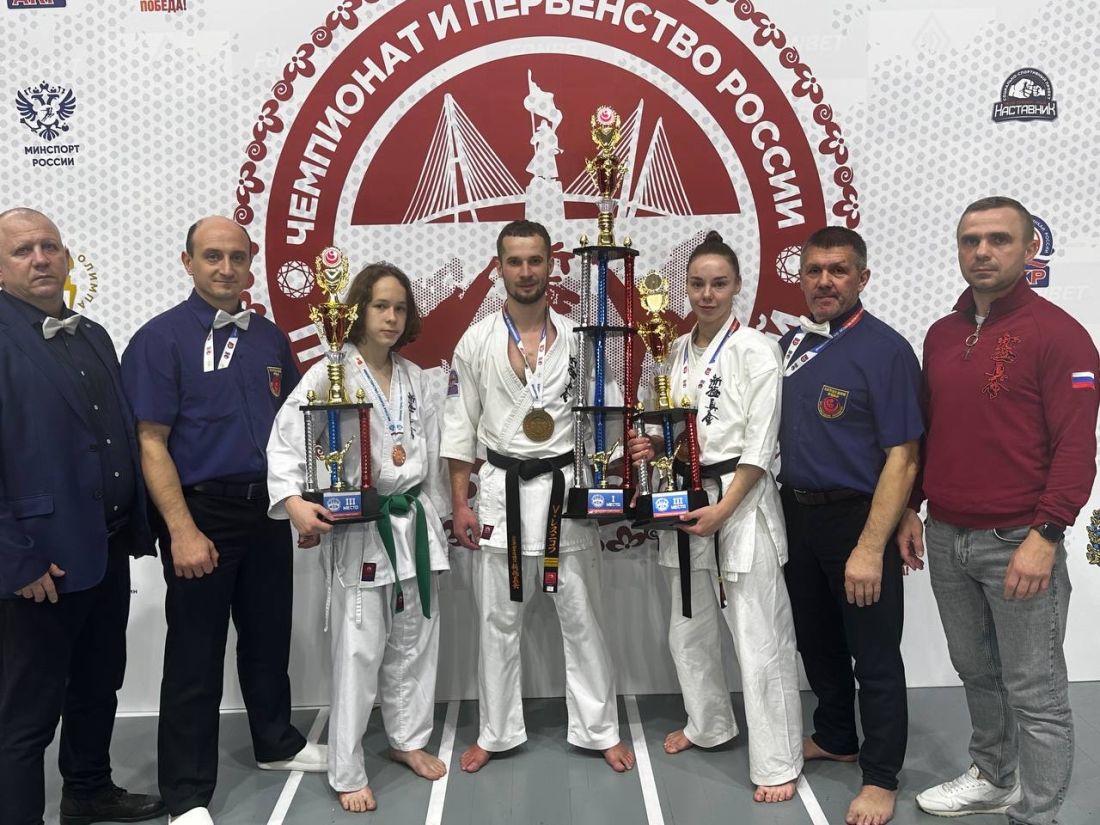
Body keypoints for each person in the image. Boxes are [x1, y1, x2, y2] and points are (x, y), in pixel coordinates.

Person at [898, 197, 1099, 824]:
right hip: (947, 535)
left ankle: (1037, 813)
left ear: (1030, 247)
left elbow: (1077, 447)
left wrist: (1046, 535)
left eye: (998, 239)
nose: (982, 251)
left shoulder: (1060, 335)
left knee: (1036, 690)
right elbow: (931, 432)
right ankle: (992, 777)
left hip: (1019, 539)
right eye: (970, 240)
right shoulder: (942, 334)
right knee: (977, 672)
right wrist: (911, 507)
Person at [120, 216, 324, 825]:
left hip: (266, 508)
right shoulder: (159, 340)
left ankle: (275, 743)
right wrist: (182, 530)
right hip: (199, 511)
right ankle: (186, 794)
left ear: (251, 262)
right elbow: (150, 441)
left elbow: (293, 431)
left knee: (268, 636)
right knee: (195, 654)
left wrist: (298, 501)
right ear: (187, 262)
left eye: (237, 257)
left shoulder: (270, 339)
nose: (226, 268)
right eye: (212, 256)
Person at [441, 219, 635, 774]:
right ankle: (497, 732)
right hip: (501, 494)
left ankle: (599, 729)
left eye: (535, 261)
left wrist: (613, 468)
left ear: (552, 265)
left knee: (583, 619)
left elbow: (605, 414)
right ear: (499, 267)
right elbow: (459, 428)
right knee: (497, 624)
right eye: (515, 261)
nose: (526, 272)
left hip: (564, 494)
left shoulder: (579, 337)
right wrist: (460, 503)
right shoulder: (476, 341)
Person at [625, 230, 803, 802]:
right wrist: (650, 444)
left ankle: (777, 760)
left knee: (758, 634)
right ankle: (709, 724)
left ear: (737, 286)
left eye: (719, 284)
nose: (707, 294)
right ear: (686, 288)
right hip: (683, 498)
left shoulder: (757, 350)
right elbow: (662, 425)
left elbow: (762, 444)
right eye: (698, 284)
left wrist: (724, 509)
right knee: (689, 627)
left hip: (738, 499)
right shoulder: (671, 350)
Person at [0, 208, 164, 825]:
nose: (41, 259)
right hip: (39, 564)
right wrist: (15, 560)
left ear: (68, 258)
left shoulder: (92, 333)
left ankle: (88, 792)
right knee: (27, 715)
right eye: (22, 251)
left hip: (104, 547)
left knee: (98, 684)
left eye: (50, 246)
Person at [267, 262, 450, 813]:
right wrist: (294, 502)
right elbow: (285, 444)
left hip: (413, 521)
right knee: (358, 650)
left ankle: (407, 739)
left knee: (416, 640)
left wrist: (441, 519)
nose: (391, 317)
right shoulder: (329, 373)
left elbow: (433, 457)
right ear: (356, 311)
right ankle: (346, 769)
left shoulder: (418, 378)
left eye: (400, 308)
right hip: (363, 529)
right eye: (380, 306)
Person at [778, 226, 922, 825]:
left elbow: (903, 455)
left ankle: (881, 776)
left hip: (857, 518)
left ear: (862, 277)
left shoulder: (886, 350)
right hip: (795, 513)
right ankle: (836, 734)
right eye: (814, 271)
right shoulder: (791, 343)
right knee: (816, 639)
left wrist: (870, 546)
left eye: (838, 270)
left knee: (874, 653)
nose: (825, 281)